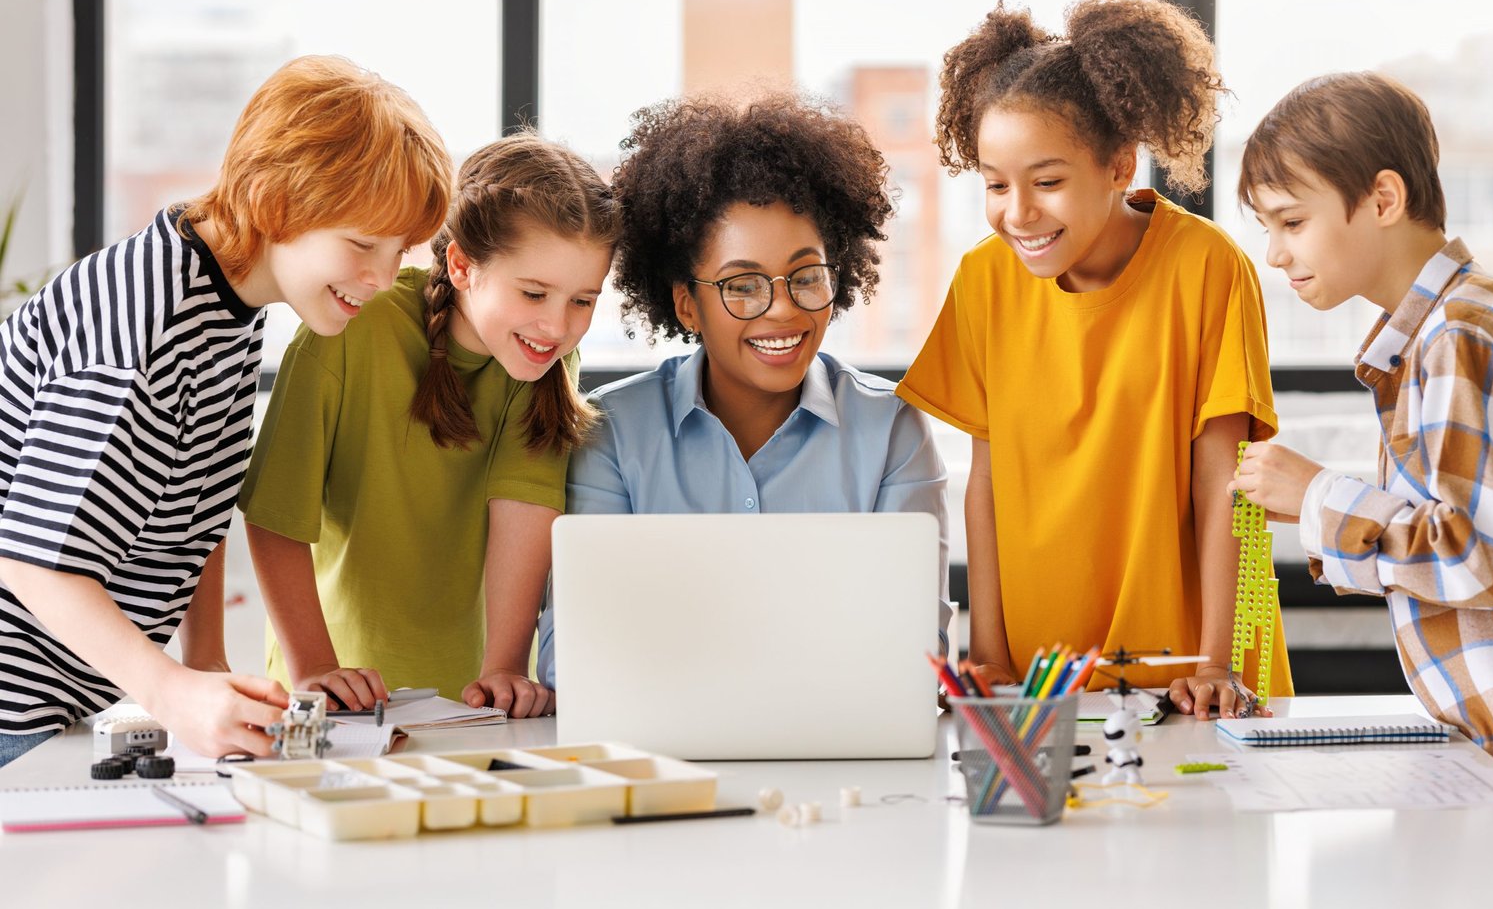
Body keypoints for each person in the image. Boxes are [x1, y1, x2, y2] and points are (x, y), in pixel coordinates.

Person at [0, 55, 453, 766]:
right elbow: (34, 563)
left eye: (399, 251)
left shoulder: (229, 302)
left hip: (55, 707)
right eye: (363, 244)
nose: (382, 278)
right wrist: (172, 693)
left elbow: (196, 502)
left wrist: (205, 657)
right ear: (277, 199)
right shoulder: (142, 327)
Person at [897, 0, 1289, 718]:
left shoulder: (1207, 267)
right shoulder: (983, 280)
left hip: (1188, 675)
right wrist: (986, 653)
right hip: (1035, 679)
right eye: (994, 184)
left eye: (1047, 182)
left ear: (1118, 165)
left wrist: (1215, 662)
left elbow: (1224, 488)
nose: (1018, 212)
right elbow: (985, 483)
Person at [1231, 71, 1493, 830]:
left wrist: (1318, 498)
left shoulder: (1461, 338)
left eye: (1291, 222)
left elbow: (1477, 558)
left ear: (1384, 201)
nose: (1273, 253)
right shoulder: (1446, 329)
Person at [535, 95, 949, 688]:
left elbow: (915, 653)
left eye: (806, 277)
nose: (782, 308)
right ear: (687, 304)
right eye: (742, 285)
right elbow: (572, 656)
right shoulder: (611, 434)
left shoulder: (892, 433)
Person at [240, 132, 618, 718]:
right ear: (463, 265)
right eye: (535, 292)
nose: (556, 325)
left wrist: (505, 670)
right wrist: (314, 667)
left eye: (582, 301)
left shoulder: (546, 361)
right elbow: (276, 515)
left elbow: (524, 508)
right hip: (335, 692)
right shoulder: (350, 330)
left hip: (471, 704)